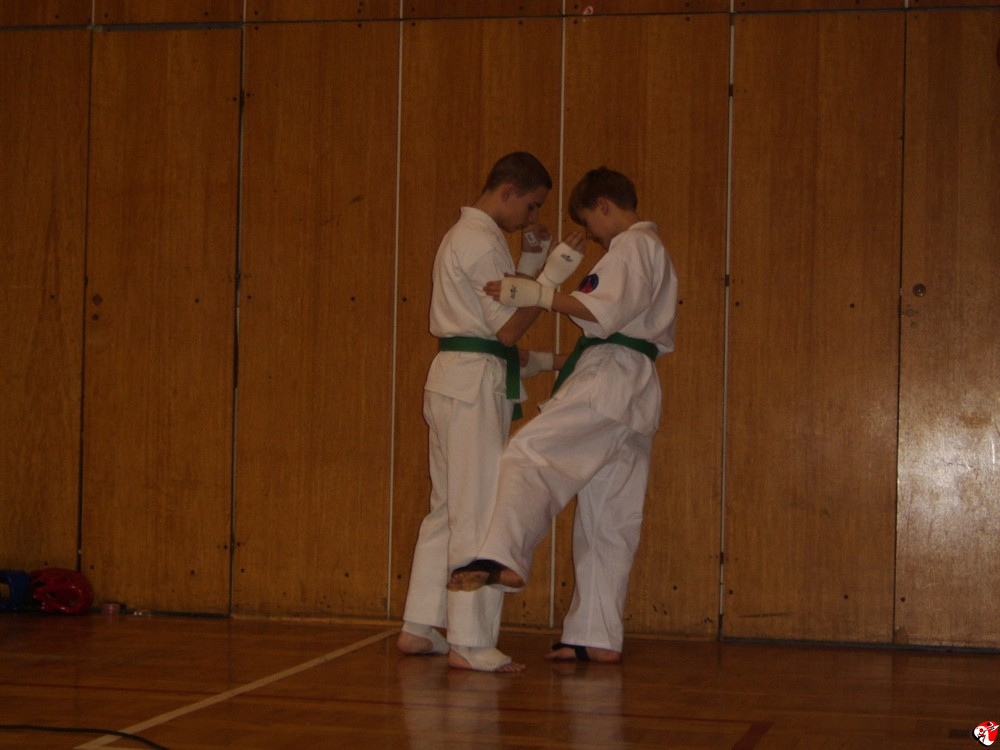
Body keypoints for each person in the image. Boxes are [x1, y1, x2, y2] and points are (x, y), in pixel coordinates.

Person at [449, 167, 678, 664]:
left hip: (609, 380)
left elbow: (602, 312)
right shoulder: (652, 250)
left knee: (529, 453)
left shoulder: (632, 246)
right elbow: (613, 321)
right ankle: (596, 634)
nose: (592, 235)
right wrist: (542, 332)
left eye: (589, 223)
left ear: (603, 206)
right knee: (609, 516)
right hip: (633, 388)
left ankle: (503, 556)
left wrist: (540, 294)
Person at [397, 152, 584, 673]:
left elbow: (499, 313)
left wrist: (531, 264)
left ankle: (420, 624)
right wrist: (551, 277)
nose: (532, 217)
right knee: (478, 510)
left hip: (458, 379)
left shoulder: (472, 237)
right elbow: (507, 328)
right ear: (507, 192)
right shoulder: (478, 240)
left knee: (448, 508)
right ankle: (470, 640)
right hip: (472, 382)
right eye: (531, 205)